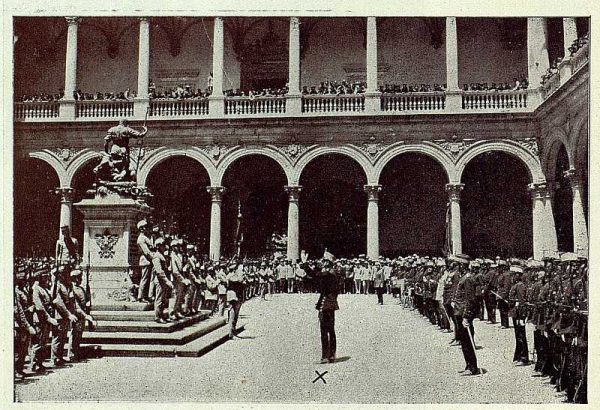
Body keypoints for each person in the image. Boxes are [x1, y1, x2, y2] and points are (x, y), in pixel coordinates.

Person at [452, 254, 481, 375]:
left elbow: (470, 299)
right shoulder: (464, 277)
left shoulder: (468, 278)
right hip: (459, 311)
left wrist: (467, 316)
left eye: (457, 265)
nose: (456, 267)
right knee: (464, 341)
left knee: (467, 341)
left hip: (464, 313)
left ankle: (472, 367)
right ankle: (468, 365)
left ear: (462, 265)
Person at [29, 267, 59, 373]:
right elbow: (39, 307)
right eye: (45, 277)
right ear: (40, 278)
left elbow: (48, 301)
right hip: (40, 319)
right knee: (37, 343)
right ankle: (33, 365)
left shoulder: (44, 288)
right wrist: (49, 318)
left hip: (45, 320)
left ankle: (39, 363)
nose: (47, 279)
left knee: (43, 343)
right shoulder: (36, 289)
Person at [51, 266, 79, 366]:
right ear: (57, 275)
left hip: (64, 315)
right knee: (57, 337)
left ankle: (59, 357)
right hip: (59, 315)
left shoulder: (64, 285)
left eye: (64, 273)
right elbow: (59, 302)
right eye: (61, 274)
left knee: (62, 337)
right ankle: (54, 358)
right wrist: (68, 314)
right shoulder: (56, 285)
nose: (63, 275)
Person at [314, 259, 339, 364]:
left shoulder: (330, 276)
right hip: (328, 305)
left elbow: (318, 276)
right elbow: (316, 276)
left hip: (327, 305)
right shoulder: (330, 276)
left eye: (324, 267)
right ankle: (330, 355)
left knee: (326, 331)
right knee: (329, 331)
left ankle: (328, 355)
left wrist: (317, 267)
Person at [14, 266, 36, 379]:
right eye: (23, 280)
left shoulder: (24, 290)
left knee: (23, 347)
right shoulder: (16, 292)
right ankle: (16, 370)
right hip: (20, 324)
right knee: (19, 348)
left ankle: (20, 368)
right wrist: (29, 309)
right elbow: (18, 311)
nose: (25, 282)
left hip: (27, 320)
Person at [69, 268, 94, 361]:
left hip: (82, 315)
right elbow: (76, 307)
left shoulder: (81, 288)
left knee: (79, 335)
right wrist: (85, 315)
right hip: (77, 315)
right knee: (75, 335)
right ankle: (72, 354)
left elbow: (85, 301)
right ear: (75, 278)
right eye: (80, 277)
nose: (81, 279)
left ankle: (76, 353)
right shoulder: (72, 290)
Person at [508, 264, 529, 365]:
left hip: (519, 314)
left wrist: (521, 316)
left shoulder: (520, 285)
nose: (512, 277)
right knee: (518, 335)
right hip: (515, 313)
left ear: (518, 275)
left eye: (514, 275)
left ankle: (524, 357)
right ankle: (518, 356)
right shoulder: (515, 285)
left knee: (521, 335)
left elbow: (522, 302)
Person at [152, 238, 174, 323]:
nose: (164, 247)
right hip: (160, 280)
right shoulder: (156, 256)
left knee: (164, 299)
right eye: (162, 245)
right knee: (159, 299)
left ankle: (162, 315)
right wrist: (167, 281)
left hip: (164, 281)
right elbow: (159, 271)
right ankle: (157, 316)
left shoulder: (162, 255)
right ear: (158, 246)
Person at [136, 219, 154, 303]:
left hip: (149, 260)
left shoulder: (145, 237)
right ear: (141, 229)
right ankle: (140, 296)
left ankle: (145, 296)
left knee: (148, 279)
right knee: (144, 279)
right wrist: (154, 258)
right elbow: (146, 251)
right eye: (144, 227)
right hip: (146, 260)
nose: (146, 228)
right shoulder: (141, 239)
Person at [226, 263, 245, 339]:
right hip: (232, 295)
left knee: (235, 315)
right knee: (232, 315)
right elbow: (239, 280)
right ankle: (231, 333)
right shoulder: (231, 276)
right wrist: (240, 274)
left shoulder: (234, 275)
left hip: (236, 295)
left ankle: (233, 331)